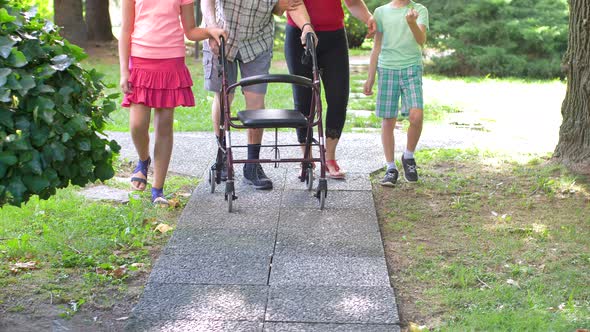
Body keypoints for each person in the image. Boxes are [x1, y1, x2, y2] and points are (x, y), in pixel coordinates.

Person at [119, 0, 226, 204]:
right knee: (137, 125)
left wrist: (210, 31)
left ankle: (157, 190)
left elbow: (191, 30)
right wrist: (124, 70)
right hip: (140, 60)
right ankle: (143, 160)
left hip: (171, 61)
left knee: (164, 126)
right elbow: (125, 30)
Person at [201, 0, 302, 190]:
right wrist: (211, 28)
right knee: (224, 97)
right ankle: (222, 155)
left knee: (256, 101)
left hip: (257, 42)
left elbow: (278, 9)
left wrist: (285, 6)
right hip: (221, 34)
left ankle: (252, 164)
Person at [285, 0, 376, 179]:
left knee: (338, 97)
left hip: (334, 38)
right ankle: (307, 158)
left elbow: (353, 2)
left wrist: (369, 19)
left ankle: (330, 158)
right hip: (299, 34)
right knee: (303, 98)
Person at [363, 0, 428, 186]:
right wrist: (370, 78)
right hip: (387, 69)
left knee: (416, 116)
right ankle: (390, 167)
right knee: (388, 119)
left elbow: (421, 40)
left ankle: (408, 157)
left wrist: (411, 22)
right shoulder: (380, 12)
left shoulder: (419, 10)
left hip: (411, 69)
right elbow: (376, 47)